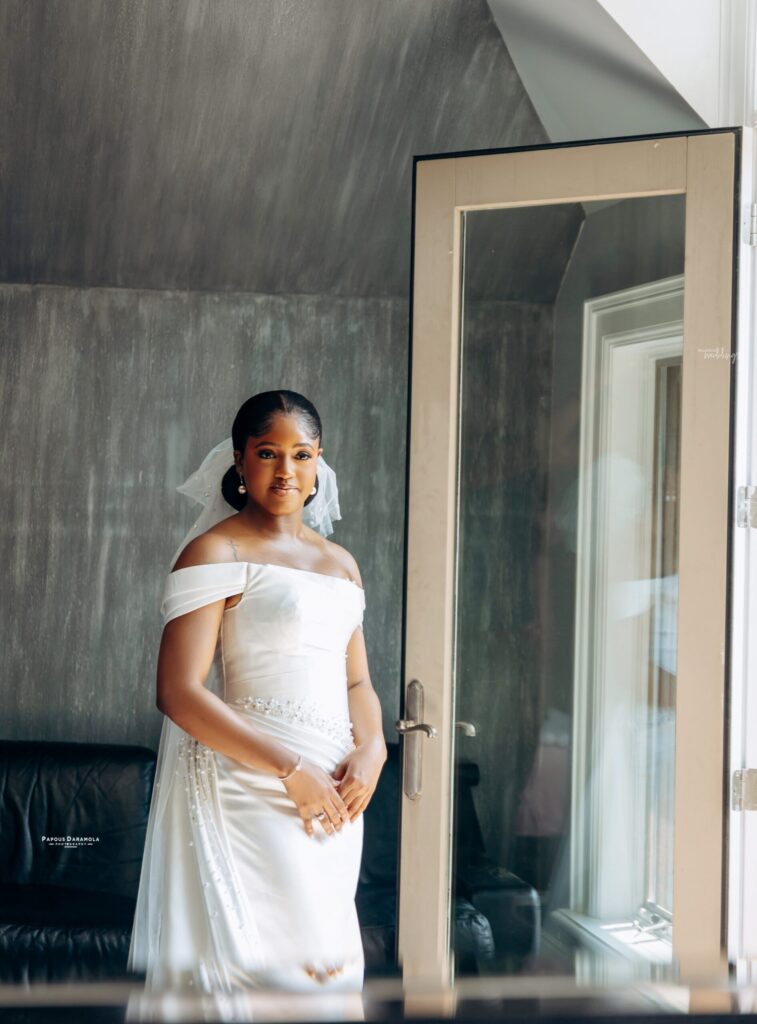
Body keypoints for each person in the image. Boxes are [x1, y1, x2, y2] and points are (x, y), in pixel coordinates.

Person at [126, 390, 387, 1015]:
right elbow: (178, 692)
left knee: (327, 964)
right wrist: (291, 770)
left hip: (337, 789)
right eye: (268, 453)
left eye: (301, 454)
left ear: (319, 461)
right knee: (266, 964)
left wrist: (374, 747)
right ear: (240, 461)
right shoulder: (216, 551)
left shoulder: (341, 565)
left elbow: (357, 683)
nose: (285, 470)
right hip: (254, 784)